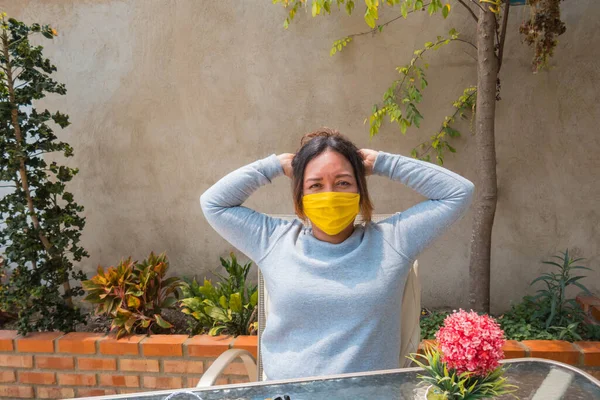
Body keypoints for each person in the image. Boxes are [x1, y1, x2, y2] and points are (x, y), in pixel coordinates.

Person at [200, 128, 474, 381]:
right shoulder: (273, 240)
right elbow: (213, 203)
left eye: (343, 183)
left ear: (360, 190)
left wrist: (382, 162)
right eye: (315, 185)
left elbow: (458, 192)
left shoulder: (393, 241)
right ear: (300, 195)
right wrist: (274, 166)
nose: (329, 195)